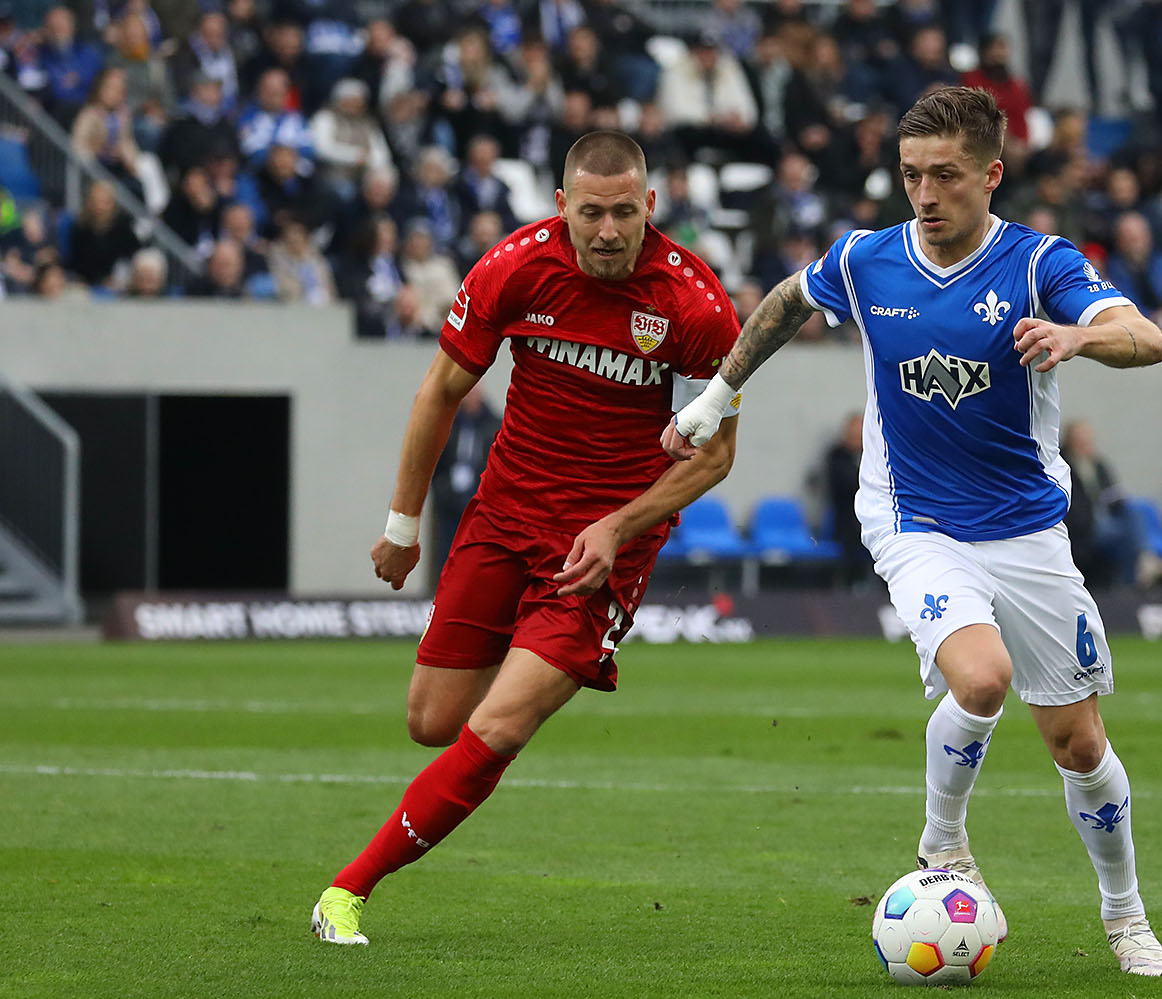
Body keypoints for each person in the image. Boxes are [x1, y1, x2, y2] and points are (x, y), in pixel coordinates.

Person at [670, 87, 1162, 976]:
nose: (926, 194)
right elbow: (789, 301)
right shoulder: (870, 260)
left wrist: (1077, 338)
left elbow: (1147, 338)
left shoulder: (1037, 265)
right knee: (980, 678)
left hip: (1026, 531)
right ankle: (943, 846)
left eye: (945, 176)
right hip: (915, 521)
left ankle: (1125, 915)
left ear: (991, 174)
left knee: (1080, 746)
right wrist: (717, 396)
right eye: (911, 175)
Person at [310, 132, 744, 944]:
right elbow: (440, 390)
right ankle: (528, 651)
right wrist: (403, 526)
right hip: (504, 516)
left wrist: (617, 526)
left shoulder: (693, 305)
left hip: (600, 553)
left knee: (500, 726)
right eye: (591, 213)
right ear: (561, 208)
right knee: (433, 723)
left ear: (649, 206)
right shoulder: (513, 267)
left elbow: (716, 457)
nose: (608, 231)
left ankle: (347, 890)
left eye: (624, 213)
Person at [430, 387, 503, 578]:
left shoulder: (494, 425)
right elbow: (436, 463)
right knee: (446, 555)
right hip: (449, 502)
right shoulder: (450, 424)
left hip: (480, 501)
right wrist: (442, 488)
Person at [1063, 421, 1142, 588]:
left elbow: (1112, 491)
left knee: (1133, 516)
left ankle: (1136, 571)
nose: (1086, 445)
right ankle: (1132, 580)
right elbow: (1072, 501)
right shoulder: (1063, 464)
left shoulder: (1098, 465)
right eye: (1081, 441)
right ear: (1071, 441)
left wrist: (1118, 502)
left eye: (1088, 441)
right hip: (1085, 522)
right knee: (1127, 539)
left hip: (1107, 514)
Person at [822, 411, 869, 584]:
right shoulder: (836, 455)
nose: (857, 440)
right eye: (854, 435)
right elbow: (849, 484)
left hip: (870, 520)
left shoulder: (873, 456)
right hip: (846, 521)